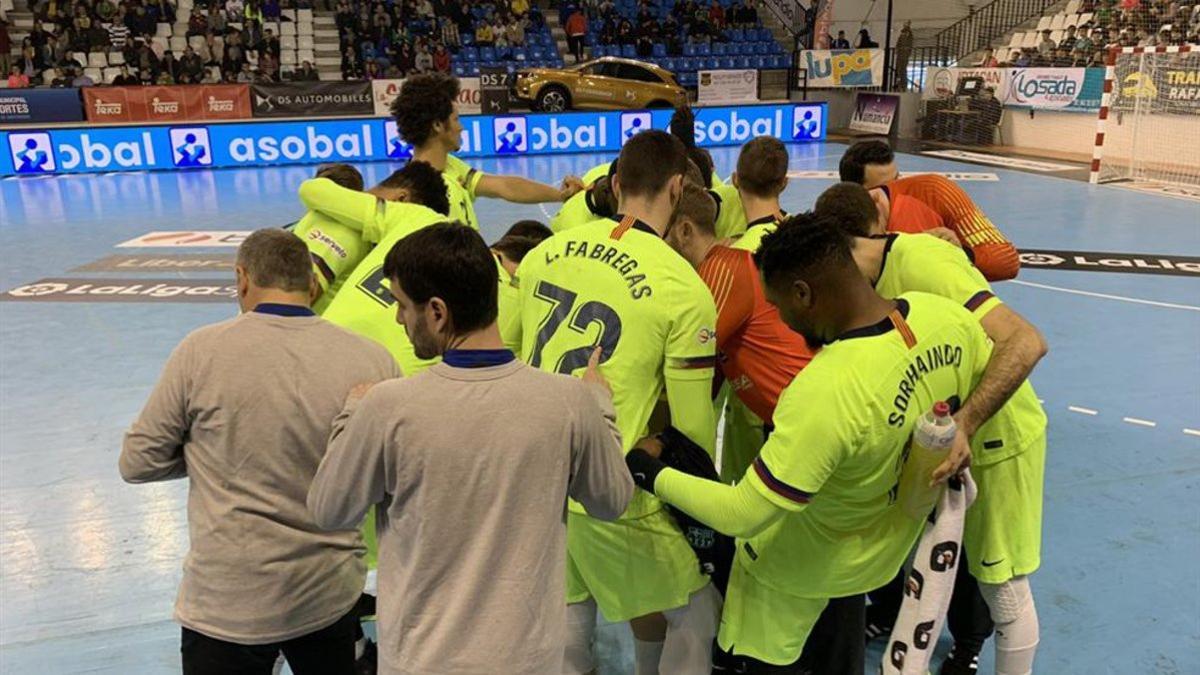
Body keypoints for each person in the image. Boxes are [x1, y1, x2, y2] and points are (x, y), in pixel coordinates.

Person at [623, 214, 996, 673]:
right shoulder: (942, 318)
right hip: (873, 557)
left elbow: (744, 513)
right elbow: (1000, 360)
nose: (779, 318)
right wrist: (967, 423)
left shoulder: (828, 389)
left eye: (779, 305)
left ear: (803, 292)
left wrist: (650, 472)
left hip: (790, 574)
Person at [308, 223, 633, 675]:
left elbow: (328, 510)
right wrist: (602, 409)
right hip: (529, 662)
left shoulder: (387, 407)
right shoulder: (570, 402)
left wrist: (350, 415)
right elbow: (612, 502)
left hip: (421, 662)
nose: (399, 319)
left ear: (437, 312)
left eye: (402, 305)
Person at [119, 229, 398, 675]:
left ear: (241, 278)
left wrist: (213, 450)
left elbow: (137, 462)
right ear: (311, 283)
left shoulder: (200, 351)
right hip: (326, 595)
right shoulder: (372, 358)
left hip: (226, 603)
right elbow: (386, 475)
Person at [511, 130, 722, 675]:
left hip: (536, 471)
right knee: (697, 611)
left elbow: (510, 357)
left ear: (616, 183)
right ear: (678, 188)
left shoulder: (542, 252)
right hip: (614, 487)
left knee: (568, 600)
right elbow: (693, 429)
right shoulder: (683, 287)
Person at [817, 182, 1048, 675]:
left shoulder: (923, 263)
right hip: (938, 439)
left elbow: (1025, 342)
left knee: (1002, 590)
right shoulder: (867, 273)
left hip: (998, 437)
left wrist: (965, 424)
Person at [664, 182, 814, 482]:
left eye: (659, 235)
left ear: (684, 231)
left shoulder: (720, 271)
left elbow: (687, 359)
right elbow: (707, 381)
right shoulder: (721, 268)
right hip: (790, 419)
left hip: (807, 421)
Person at [312, 161, 455, 375]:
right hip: (409, 378)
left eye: (374, 196)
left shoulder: (412, 216)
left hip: (325, 361)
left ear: (402, 199)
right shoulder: (456, 250)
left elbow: (313, 190)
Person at [389, 73, 582, 232]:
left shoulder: (450, 166)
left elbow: (505, 186)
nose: (461, 128)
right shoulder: (415, 197)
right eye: (456, 119)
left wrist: (561, 195)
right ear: (438, 126)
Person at [838, 140, 1021, 281]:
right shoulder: (839, 221)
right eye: (884, 188)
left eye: (898, 179)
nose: (894, 191)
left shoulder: (935, 191)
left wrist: (955, 253)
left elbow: (1006, 261)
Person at [894, 21, 913, 90]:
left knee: (903, 69)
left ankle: (903, 84)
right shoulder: (902, 34)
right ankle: (899, 83)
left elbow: (909, 43)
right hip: (901, 53)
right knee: (899, 69)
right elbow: (898, 43)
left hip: (904, 54)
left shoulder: (909, 34)